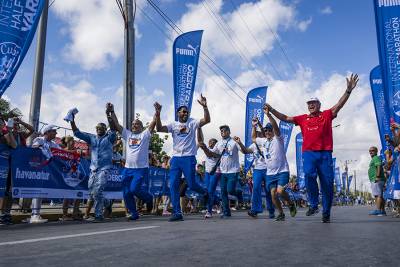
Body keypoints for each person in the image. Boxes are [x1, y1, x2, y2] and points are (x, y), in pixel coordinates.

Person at [265, 73, 359, 223]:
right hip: (309, 154)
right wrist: (271, 110)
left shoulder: (327, 115)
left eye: (313, 103)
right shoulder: (302, 118)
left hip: (325, 154)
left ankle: (326, 212)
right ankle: (314, 205)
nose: (311, 105)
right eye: (309, 103)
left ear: (319, 105)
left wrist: (348, 91)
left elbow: (339, 104)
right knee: (309, 176)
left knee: (327, 184)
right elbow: (285, 118)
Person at [154, 94, 210, 221]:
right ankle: (177, 213)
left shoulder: (193, 122)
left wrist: (205, 107)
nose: (185, 113)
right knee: (173, 185)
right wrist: (158, 114)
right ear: (178, 113)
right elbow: (159, 128)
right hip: (176, 159)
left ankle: (205, 193)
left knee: (191, 184)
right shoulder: (173, 124)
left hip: (188, 158)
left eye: (187, 111)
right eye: (183, 111)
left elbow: (206, 120)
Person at [108, 103, 155, 220]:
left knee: (134, 189)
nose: (134, 125)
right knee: (126, 192)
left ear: (141, 127)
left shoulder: (145, 135)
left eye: (137, 124)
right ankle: (134, 213)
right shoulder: (127, 134)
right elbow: (117, 125)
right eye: (133, 124)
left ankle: (149, 198)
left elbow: (153, 124)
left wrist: (157, 112)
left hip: (140, 168)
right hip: (128, 168)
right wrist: (112, 111)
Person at [70, 105, 116, 222]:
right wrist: (72, 120)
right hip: (93, 168)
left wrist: (108, 115)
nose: (99, 129)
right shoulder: (91, 138)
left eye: (102, 127)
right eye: (97, 127)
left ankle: (98, 215)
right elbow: (77, 133)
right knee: (91, 191)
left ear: (105, 129)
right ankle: (107, 202)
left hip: (104, 168)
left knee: (98, 189)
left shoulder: (110, 138)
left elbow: (113, 128)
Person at [201, 125, 244, 218]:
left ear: (229, 131)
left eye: (224, 130)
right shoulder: (219, 143)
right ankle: (226, 212)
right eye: (221, 131)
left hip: (233, 170)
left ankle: (238, 193)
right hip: (223, 171)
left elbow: (244, 151)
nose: (222, 132)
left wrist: (240, 143)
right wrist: (204, 148)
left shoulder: (234, 141)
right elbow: (211, 154)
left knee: (230, 190)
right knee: (223, 192)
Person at [29, 124, 61, 223]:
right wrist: (39, 147)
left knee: (41, 191)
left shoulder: (54, 144)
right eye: (54, 131)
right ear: (47, 132)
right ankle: (34, 215)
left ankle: (36, 214)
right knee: (38, 191)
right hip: (38, 169)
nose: (56, 133)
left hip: (48, 170)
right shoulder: (40, 139)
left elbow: (61, 152)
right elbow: (33, 147)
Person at [198, 128, 220, 219]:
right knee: (207, 191)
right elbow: (204, 163)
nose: (210, 143)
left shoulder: (218, 151)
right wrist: (202, 173)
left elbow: (210, 154)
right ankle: (218, 202)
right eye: (209, 142)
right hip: (207, 173)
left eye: (212, 142)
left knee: (211, 191)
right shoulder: (206, 152)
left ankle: (209, 211)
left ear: (216, 144)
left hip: (216, 172)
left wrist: (205, 148)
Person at [59, 136, 82, 221]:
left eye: (73, 141)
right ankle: (64, 214)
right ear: (68, 142)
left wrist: (78, 152)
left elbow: (83, 156)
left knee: (79, 195)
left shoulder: (77, 151)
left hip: (76, 175)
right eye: (71, 141)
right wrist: (74, 151)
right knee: (67, 195)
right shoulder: (63, 151)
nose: (73, 143)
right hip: (67, 175)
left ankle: (75, 214)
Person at [0, 117, 17, 226]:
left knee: (3, 191)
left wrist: (10, 130)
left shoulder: (5, 136)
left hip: (4, 167)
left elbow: (14, 145)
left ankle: (3, 215)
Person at [368, 146, 386, 216]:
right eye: (369, 151)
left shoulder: (376, 158)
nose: (370, 152)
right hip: (377, 179)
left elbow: (378, 166)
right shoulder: (375, 158)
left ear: (376, 151)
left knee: (377, 195)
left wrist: (377, 176)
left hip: (376, 179)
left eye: (372, 150)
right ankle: (382, 210)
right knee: (380, 195)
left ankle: (378, 210)